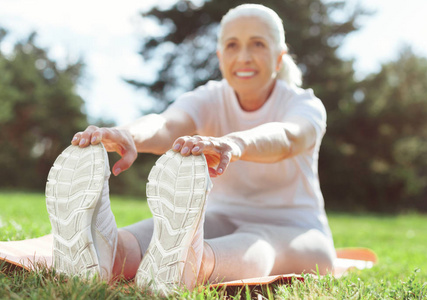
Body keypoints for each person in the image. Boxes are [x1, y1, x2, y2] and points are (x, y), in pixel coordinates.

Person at [45, 3, 336, 295]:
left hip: (296, 228)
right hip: (220, 216)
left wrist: (234, 143)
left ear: (278, 58)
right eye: (232, 46)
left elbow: (287, 138)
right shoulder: (210, 97)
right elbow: (167, 124)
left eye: (258, 44)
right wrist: (128, 134)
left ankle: (194, 263)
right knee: (173, 229)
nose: (244, 57)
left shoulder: (304, 105)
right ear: (221, 57)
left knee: (260, 240)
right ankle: (113, 250)